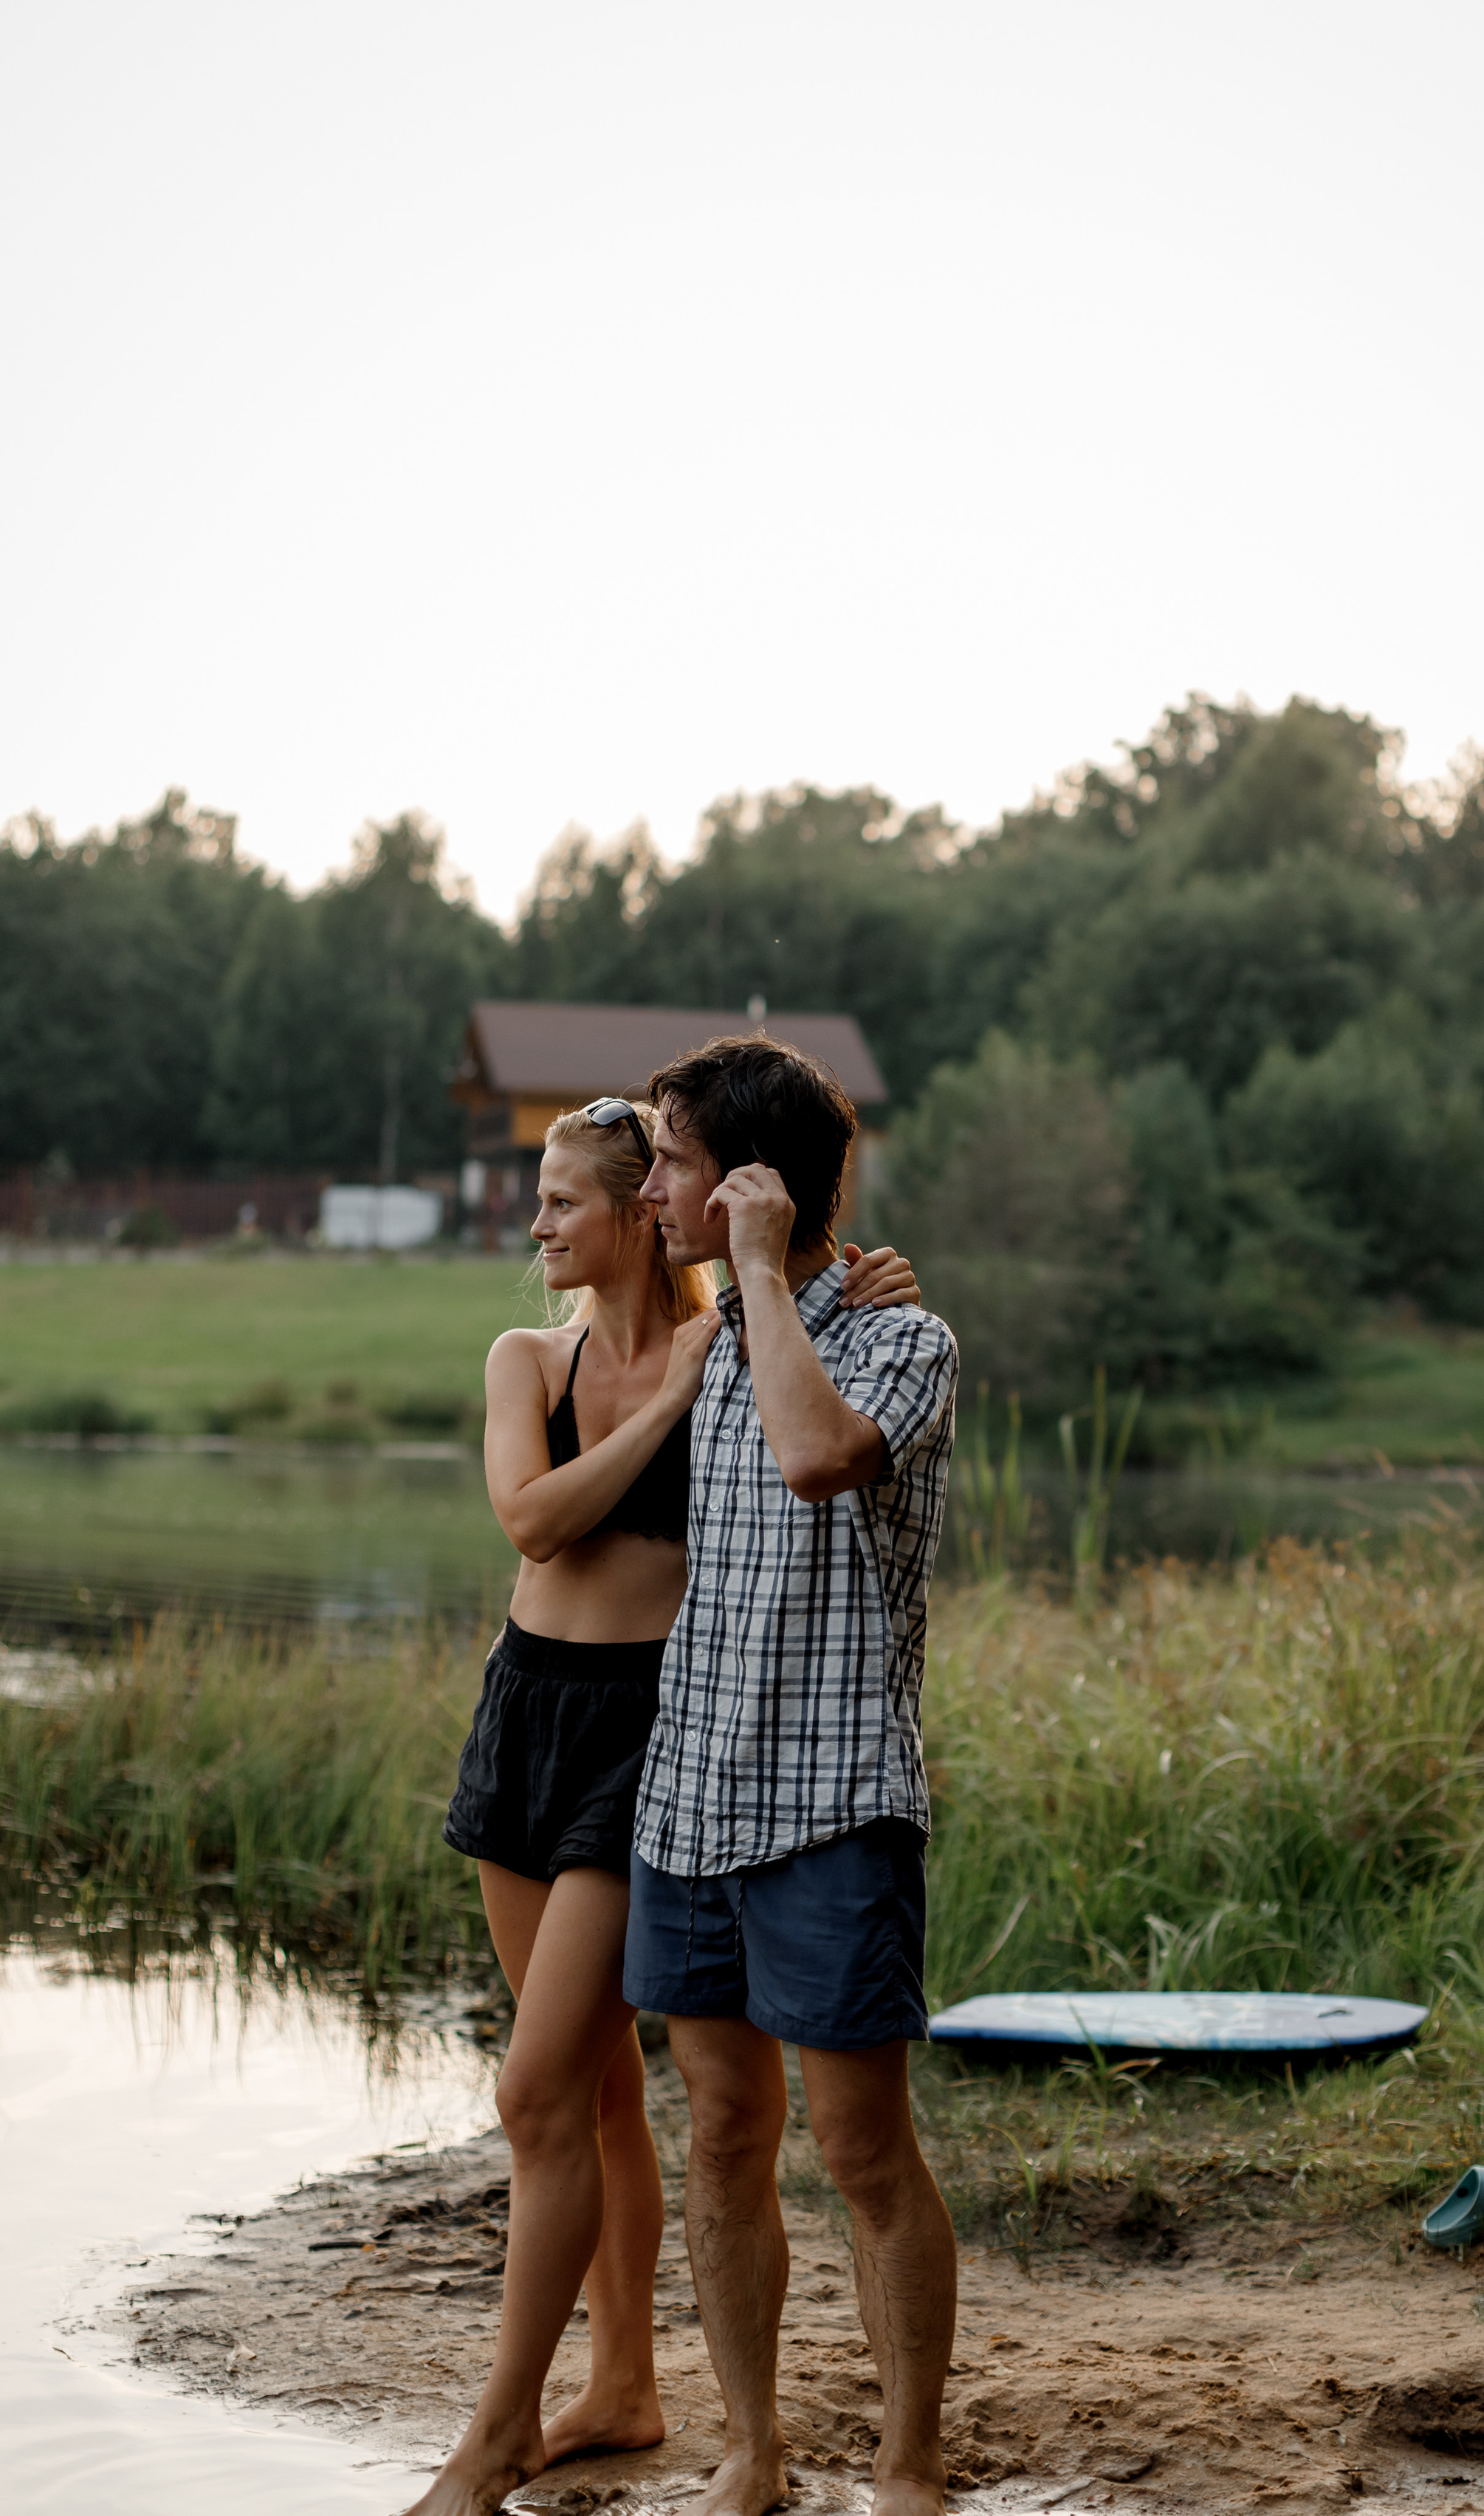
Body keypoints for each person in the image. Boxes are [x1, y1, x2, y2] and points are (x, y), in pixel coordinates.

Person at [405, 1097, 921, 2516]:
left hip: (652, 1730)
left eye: (563, 1201)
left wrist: (856, 1279)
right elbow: (532, 1519)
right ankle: (622, 2387)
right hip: (526, 1712)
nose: (538, 1225)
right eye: (539, 1200)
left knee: (533, 2088)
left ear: (643, 1213)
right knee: (595, 2094)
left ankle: (497, 2435)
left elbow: (823, 1362)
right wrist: (674, 1403)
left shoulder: (747, 1347)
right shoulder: (532, 1357)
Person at [626, 1036, 960, 2516]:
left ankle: (904, 2462)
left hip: (833, 1802)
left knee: (862, 2149)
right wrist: (736, 1280)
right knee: (719, 2137)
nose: (651, 1191)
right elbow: (573, 1269)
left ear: (752, 1187)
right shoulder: (699, 1332)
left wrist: (766, 1275)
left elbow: (819, 1453)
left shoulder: (904, 1339)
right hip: (689, 1797)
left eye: (674, 1162)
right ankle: (753, 2453)